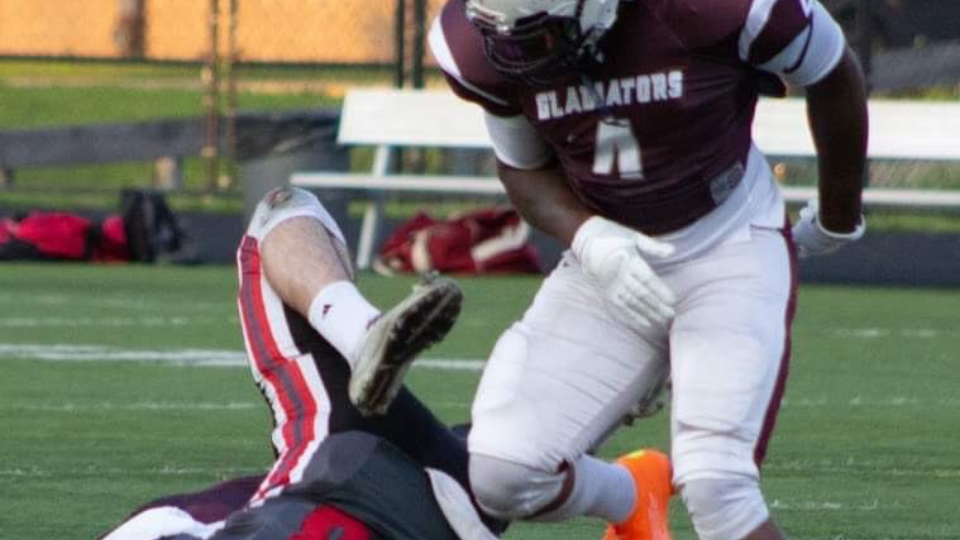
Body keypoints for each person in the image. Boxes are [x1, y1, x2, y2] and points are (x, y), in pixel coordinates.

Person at [428, 1, 868, 540]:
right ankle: (633, 494)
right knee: (504, 472)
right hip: (606, 260)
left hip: (725, 242)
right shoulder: (477, 41)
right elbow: (524, 170)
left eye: (537, 35)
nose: (518, 53)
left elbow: (831, 69)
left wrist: (837, 215)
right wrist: (589, 238)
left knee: (717, 485)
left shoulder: (715, 9)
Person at [99, 186, 508, 540]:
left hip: (448, 501)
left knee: (516, 457)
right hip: (340, 474)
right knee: (281, 209)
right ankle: (361, 333)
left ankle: (547, 470)